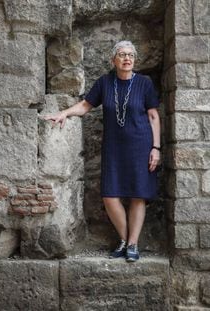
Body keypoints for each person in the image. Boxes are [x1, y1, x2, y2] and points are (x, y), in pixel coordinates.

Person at [44, 40, 160, 262]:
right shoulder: (105, 83)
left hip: (141, 145)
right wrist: (64, 113)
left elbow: (153, 116)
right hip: (114, 147)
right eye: (122, 55)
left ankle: (132, 244)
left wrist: (156, 148)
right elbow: (86, 106)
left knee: (138, 194)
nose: (127, 59)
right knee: (109, 195)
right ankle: (125, 240)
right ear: (113, 60)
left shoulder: (144, 83)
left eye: (131, 55)